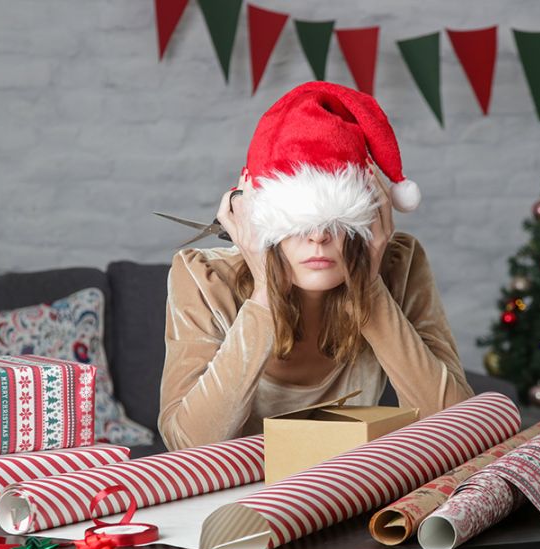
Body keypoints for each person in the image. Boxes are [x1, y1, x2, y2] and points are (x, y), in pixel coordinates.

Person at [158, 81, 474, 450]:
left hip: (347, 492)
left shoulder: (398, 264)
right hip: (242, 498)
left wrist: (368, 286)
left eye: (338, 218)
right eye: (296, 220)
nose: (318, 237)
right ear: (263, 220)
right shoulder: (203, 278)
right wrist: (263, 293)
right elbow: (186, 444)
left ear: (367, 218)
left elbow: (458, 428)